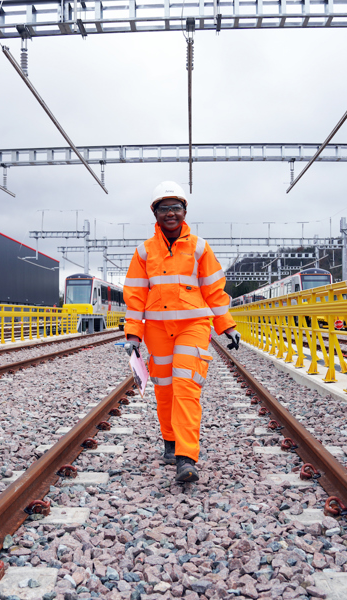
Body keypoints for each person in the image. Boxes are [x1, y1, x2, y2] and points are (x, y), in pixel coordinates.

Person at [122, 181, 241, 483]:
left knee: (186, 385)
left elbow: (215, 291)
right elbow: (135, 296)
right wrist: (133, 336)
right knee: (164, 387)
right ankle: (170, 442)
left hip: (193, 325)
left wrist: (226, 325)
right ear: (155, 213)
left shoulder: (200, 247)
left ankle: (186, 458)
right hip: (158, 330)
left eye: (176, 207)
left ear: (185, 211)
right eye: (164, 208)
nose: (171, 213)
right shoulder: (144, 252)